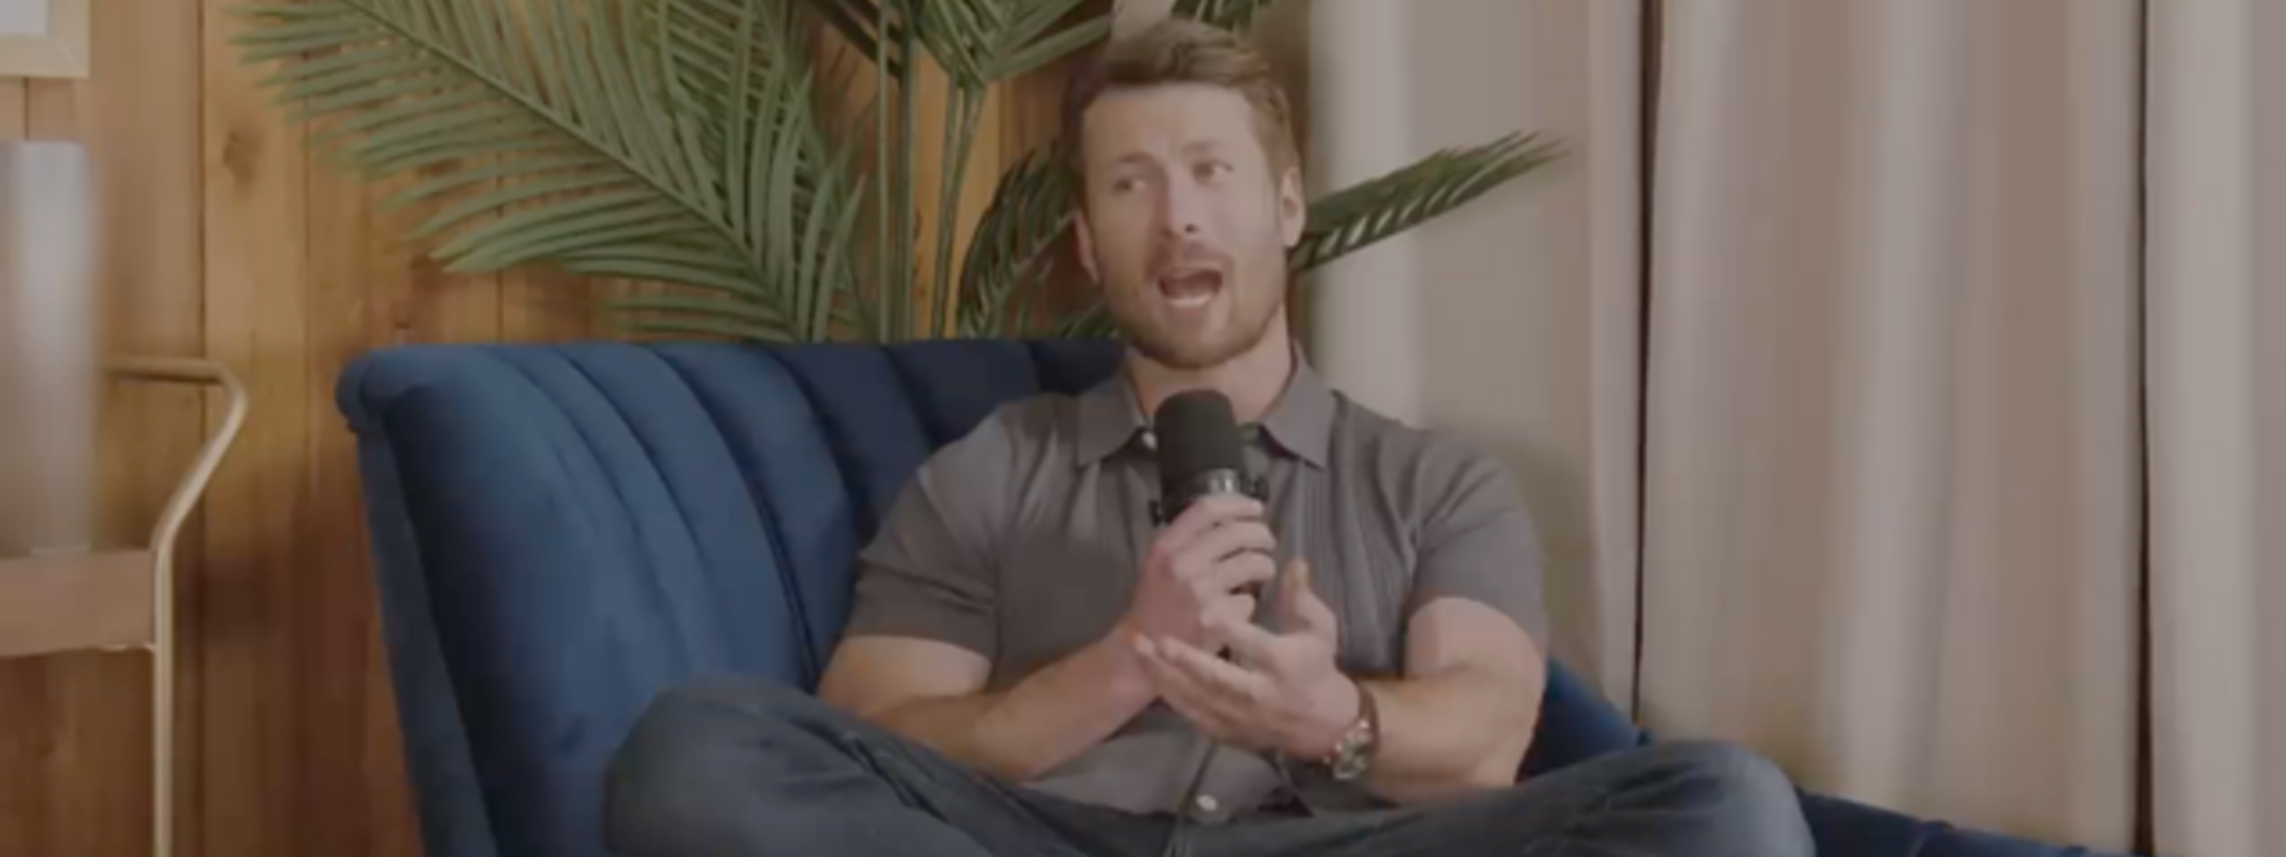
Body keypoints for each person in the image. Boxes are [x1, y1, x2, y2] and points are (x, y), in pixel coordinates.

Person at [602, 17, 1812, 857]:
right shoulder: (993, 467)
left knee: (1730, 806)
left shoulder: (1433, 481)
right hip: (1043, 838)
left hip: (1339, 841)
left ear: (1285, 207)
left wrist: (1329, 715)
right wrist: (1122, 663)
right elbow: (872, 727)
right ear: (1089, 244)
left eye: (1210, 172)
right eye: (1130, 184)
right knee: (696, 747)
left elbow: (1487, 736)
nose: (1176, 216)